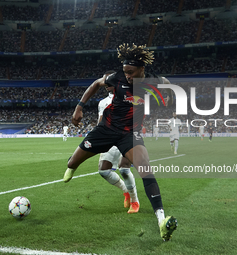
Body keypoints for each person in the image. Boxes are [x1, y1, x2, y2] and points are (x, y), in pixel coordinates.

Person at [63, 44, 177, 241]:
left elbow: (169, 85)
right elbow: (96, 84)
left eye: (131, 72)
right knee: (72, 163)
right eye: (125, 72)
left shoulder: (153, 81)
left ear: (142, 69)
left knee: (146, 171)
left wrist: (171, 98)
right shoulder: (116, 77)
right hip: (106, 130)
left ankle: (161, 220)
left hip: (130, 134)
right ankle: (72, 166)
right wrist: (79, 107)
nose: (128, 76)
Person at [97, 81, 139, 213]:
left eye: (109, 83)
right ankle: (126, 191)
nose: (107, 86)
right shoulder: (102, 102)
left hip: (127, 136)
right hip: (110, 138)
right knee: (103, 171)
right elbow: (101, 121)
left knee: (124, 169)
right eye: (106, 84)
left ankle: (135, 201)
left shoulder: (130, 97)